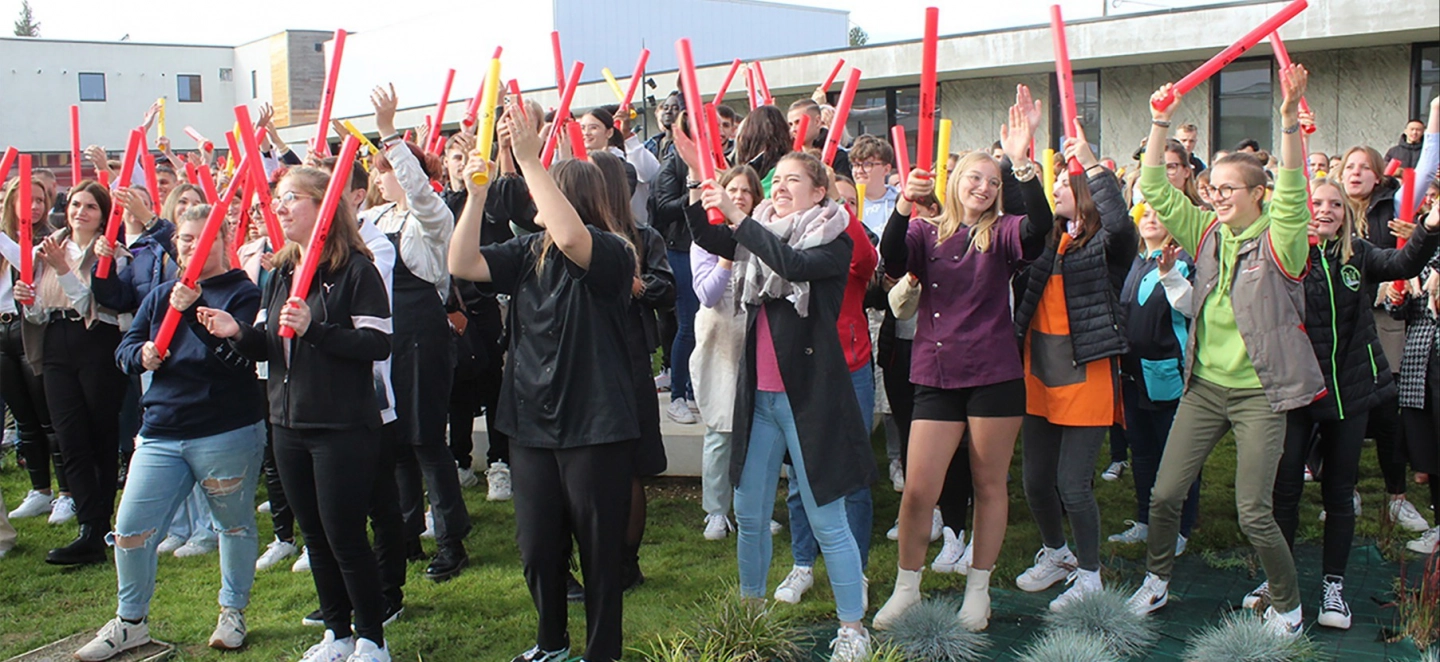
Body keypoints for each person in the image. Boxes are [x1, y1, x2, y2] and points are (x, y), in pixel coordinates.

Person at [1125, 65, 1322, 636]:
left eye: (1227, 190)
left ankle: (1288, 608)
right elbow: (1156, 188)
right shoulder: (1208, 231)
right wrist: (1160, 120)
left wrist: (1288, 121)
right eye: (1212, 190)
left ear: (1257, 195)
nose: (1215, 197)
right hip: (1205, 387)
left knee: (1253, 513)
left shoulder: (1280, 237)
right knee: (1163, 495)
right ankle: (1156, 582)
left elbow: (1291, 193)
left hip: (1259, 394)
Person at [449, 96, 638, 662]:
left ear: (572, 200)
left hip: (593, 427)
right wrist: (476, 194)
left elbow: (576, 240)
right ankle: (550, 644)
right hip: (530, 423)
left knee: (600, 553)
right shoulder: (528, 250)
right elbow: (463, 264)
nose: (534, 197)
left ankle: (602, 652)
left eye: (547, 188)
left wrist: (531, 161)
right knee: (537, 549)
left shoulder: (610, 252)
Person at [680, 124, 874, 660]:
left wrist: (740, 217)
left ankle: (852, 628)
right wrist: (701, 179)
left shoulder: (834, 240)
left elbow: (792, 266)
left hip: (809, 399)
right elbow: (708, 235)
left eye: (795, 180)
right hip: (759, 401)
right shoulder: (759, 228)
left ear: (819, 193)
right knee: (748, 510)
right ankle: (751, 618)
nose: (782, 186)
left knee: (826, 515)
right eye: (778, 179)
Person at [873, 85, 1054, 632]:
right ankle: (907, 586)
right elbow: (891, 255)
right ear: (955, 183)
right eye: (975, 176)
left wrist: (1022, 165)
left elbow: (1040, 230)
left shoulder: (1001, 233)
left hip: (994, 375)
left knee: (988, 483)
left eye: (991, 181)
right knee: (919, 490)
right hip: (935, 373)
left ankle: (980, 589)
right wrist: (905, 202)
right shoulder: (926, 233)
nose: (983, 186)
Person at [200, 165, 394, 662]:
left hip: (342, 425)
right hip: (287, 423)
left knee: (344, 533)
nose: (280, 208)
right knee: (314, 537)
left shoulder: (356, 269)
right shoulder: (281, 270)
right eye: (279, 199)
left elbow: (377, 342)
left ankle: (372, 637)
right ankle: (337, 633)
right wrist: (236, 332)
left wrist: (317, 329)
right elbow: (269, 344)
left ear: (322, 209)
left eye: (292, 198)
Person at [74, 205, 267, 661]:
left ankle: (232, 611)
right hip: (161, 430)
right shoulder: (161, 293)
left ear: (222, 241)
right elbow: (124, 349)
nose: (192, 247)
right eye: (184, 238)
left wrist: (193, 315)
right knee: (130, 528)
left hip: (225, 429)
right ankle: (130, 621)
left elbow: (242, 363)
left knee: (233, 525)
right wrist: (140, 354)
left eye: (203, 239)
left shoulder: (242, 293)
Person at [1268, 173, 1440, 631]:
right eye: (1317, 202)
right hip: (1297, 392)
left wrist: (1431, 225)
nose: (1325, 210)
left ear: (1347, 215)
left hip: (1351, 391)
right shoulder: (1284, 256)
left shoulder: (1358, 255)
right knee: (1284, 489)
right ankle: (1277, 584)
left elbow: (1404, 262)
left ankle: (1333, 587)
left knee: (1339, 492)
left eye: (1335, 204)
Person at [1013, 120, 1135, 611]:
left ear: (1085, 193)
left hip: (1086, 376)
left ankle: (1089, 574)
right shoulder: (1049, 241)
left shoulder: (1107, 247)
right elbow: (1035, 216)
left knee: (1073, 485)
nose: (1057, 186)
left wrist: (1094, 164)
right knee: (1035, 481)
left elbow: (1121, 224)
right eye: (1055, 181)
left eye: (1066, 182)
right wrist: (1021, 162)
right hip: (1040, 373)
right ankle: (1057, 554)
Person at [363, 84, 471, 583]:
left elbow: (421, 196)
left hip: (424, 334)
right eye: (379, 174)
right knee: (396, 440)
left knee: (428, 439)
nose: (381, 181)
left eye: (387, 173)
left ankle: (451, 539)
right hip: (385, 338)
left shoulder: (431, 218)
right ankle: (407, 532)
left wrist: (389, 136)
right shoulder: (373, 218)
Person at [777, 151, 880, 607]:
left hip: (849, 364)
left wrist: (840, 207)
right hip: (800, 369)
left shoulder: (842, 232)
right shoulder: (777, 232)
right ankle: (803, 563)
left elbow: (867, 260)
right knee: (801, 475)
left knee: (851, 474)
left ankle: (853, 569)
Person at [13, 180, 130, 566]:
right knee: (68, 436)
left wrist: (64, 270)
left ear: (103, 215)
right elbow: (40, 311)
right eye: (75, 204)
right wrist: (28, 302)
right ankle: (88, 526)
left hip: (96, 344)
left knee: (99, 435)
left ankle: (100, 525)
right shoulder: (47, 248)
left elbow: (92, 305)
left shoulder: (110, 252)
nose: (80, 212)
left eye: (90, 207)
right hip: (56, 344)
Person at [1110, 203, 1201, 555]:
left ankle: (1180, 526)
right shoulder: (1134, 261)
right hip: (1133, 376)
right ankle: (1146, 521)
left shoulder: (1185, 264)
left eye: (1158, 214)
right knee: (1143, 452)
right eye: (1144, 213)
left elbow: (1188, 309)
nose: (1150, 219)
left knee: (1176, 456)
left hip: (1167, 374)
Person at [694, 165, 761, 541]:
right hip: (718, 340)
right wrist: (725, 256)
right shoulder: (704, 238)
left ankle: (751, 505)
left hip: (754, 338)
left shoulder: (763, 236)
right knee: (720, 428)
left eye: (746, 192)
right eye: (731, 189)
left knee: (755, 429)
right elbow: (706, 294)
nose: (738, 196)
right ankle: (716, 510)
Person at [0, 175, 71, 526]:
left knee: (48, 415)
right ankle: (39, 489)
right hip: (1, 330)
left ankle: (66, 493)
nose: (34, 207)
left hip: (30, 328)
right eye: (27, 200)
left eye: (40, 200)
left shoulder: (48, 238)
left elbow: (27, 262)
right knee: (23, 416)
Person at [1385, 228, 1440, 555]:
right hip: (1420, 362)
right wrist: (1398, 298)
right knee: (1430, 449)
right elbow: (1400, 313)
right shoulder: (1422, 254)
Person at [788, 98, 852, 180]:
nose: (793, 129)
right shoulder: (787, 156)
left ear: (817, 121)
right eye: (790, 124)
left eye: (798, 122)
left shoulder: (837, 156)